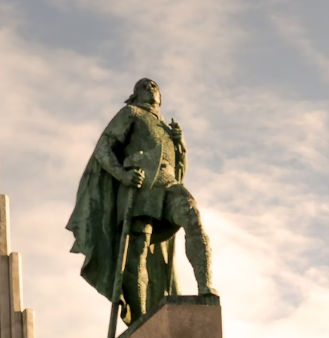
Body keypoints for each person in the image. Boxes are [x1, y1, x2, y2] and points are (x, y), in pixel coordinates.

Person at [66, 78, 217, 325]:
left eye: (154, 86)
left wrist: (180, 145)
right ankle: (141, 318)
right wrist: (123, 174)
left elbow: (179, 170)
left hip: (168, 184)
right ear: (134, 96)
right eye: (142, 86)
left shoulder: (168, 129)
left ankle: (205, 285)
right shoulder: (131, 113)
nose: (149, 88)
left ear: (161, 97)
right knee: (137, 253)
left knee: (192, 216)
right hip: (140, 187)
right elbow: (104, 147)